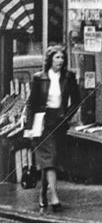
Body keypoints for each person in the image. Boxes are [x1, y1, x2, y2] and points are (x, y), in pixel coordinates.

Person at [24, 44, 81, 212]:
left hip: (59, 121)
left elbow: (77, 99)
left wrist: (67, 116)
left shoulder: (68, 77)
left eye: (62, 57)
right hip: (42, 121)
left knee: (52, 160)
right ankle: (54, 196)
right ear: (50, 60)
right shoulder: (38, 78)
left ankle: (43, 192)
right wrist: (29, 127)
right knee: (50, 158)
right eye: (57, 57)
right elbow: (31, 104)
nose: (60, 61)